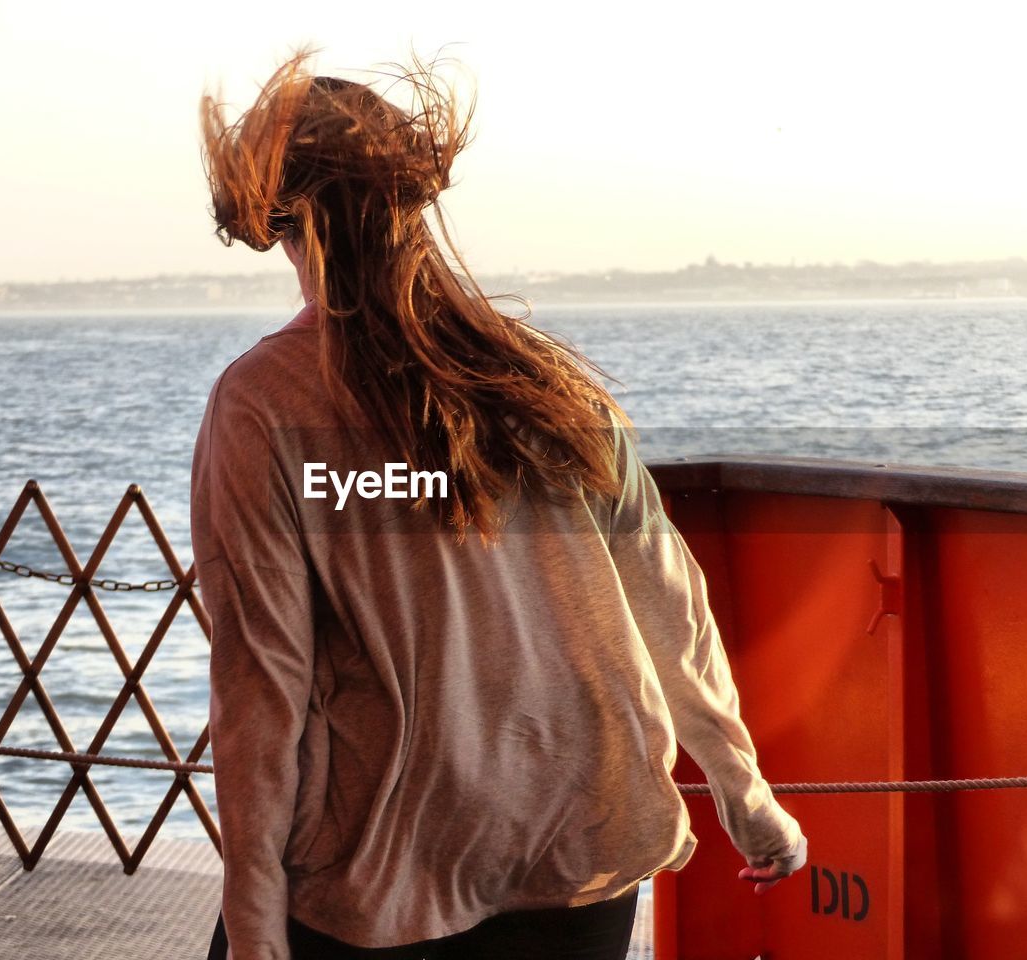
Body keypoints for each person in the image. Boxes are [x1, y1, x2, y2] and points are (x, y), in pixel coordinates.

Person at [191, 50, 806, 960]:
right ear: (412, 203)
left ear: (284, 222)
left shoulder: (263, 407)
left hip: (386, 865)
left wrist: (251, 924)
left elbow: (262, 680)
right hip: (583, 836)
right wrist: (744, 793)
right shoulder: (545, 380)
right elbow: (666, 597)